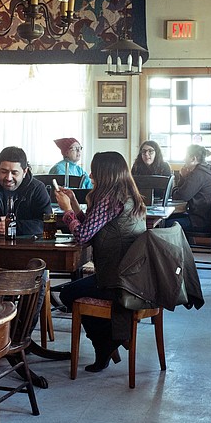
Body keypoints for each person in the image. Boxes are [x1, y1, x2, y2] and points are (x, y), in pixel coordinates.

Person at [55, 151, 147, 372]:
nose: (90, 174)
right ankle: (110, 339)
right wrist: (76, 206)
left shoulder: (109, 199)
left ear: (104, 173)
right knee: (78, 290)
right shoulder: (126, 194)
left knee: (68, 294)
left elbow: (83, 235)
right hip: (133, 276)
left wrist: (67, 211)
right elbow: (95, 227)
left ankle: (104, 343)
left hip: (118, 281)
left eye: (94, 170)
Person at [167, 144, 211, 233]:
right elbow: (183, 194)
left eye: (186, 156)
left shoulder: (198, 174)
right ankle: (183, 246)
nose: (184, 159)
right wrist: (183, 178)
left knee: (165, 223)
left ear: (193, 159)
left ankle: (176, 246)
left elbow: (180, 196)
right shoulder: (206, 169)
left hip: (201, 221)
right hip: (207, 218)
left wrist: (181, 178)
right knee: (167, 217)